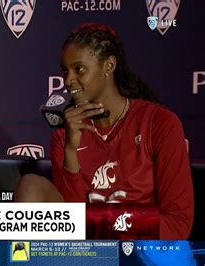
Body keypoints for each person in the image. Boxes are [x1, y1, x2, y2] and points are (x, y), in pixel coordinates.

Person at [15, 23, 193, 239]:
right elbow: (69, 224)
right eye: (65, 70)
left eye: (78, 69)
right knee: (30, 186)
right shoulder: (64, 135)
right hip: (89, 255)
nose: (68, 80)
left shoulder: (160, 123)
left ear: (108, 65)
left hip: (141, 252)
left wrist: (111, 227)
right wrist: (71, 149)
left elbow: (177, 223)